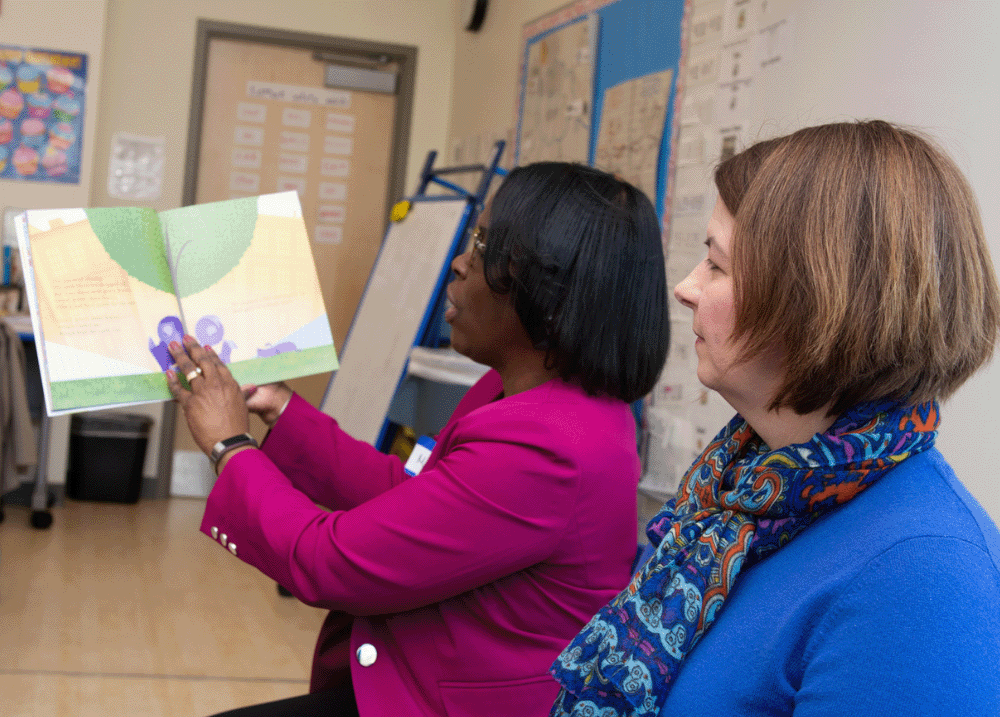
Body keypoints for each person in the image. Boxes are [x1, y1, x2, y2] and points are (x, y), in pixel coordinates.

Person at [165, 162, 670, 717]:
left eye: (482, 244)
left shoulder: (550, 449)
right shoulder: (524, 395)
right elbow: (406, 496)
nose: (459, 261)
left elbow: (328, 560)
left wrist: (228, 446)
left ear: (547, 296)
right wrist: (279, 408)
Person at [550, 120, 1000, 716]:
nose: (686, 289)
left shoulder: (925, 577)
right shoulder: (735, 491)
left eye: (716, 265)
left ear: (817, 302)